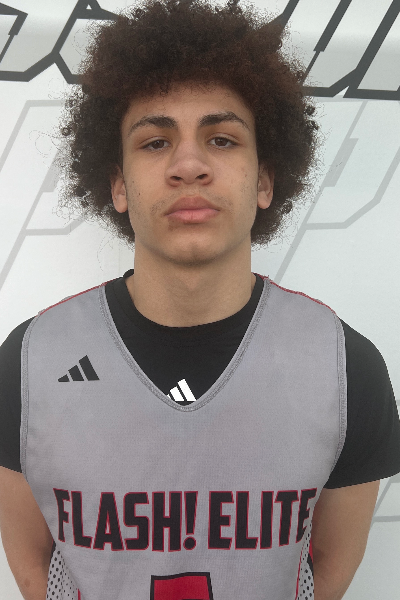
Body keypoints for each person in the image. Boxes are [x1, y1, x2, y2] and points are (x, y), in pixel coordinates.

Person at [0, 0, 399, 599]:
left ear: (265, 180)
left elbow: (329, 572)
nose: (189, 165)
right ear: (118, 185)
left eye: (221, 138)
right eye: (155, 142)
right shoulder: (27, 363)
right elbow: (35, 568)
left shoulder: (347, 368)